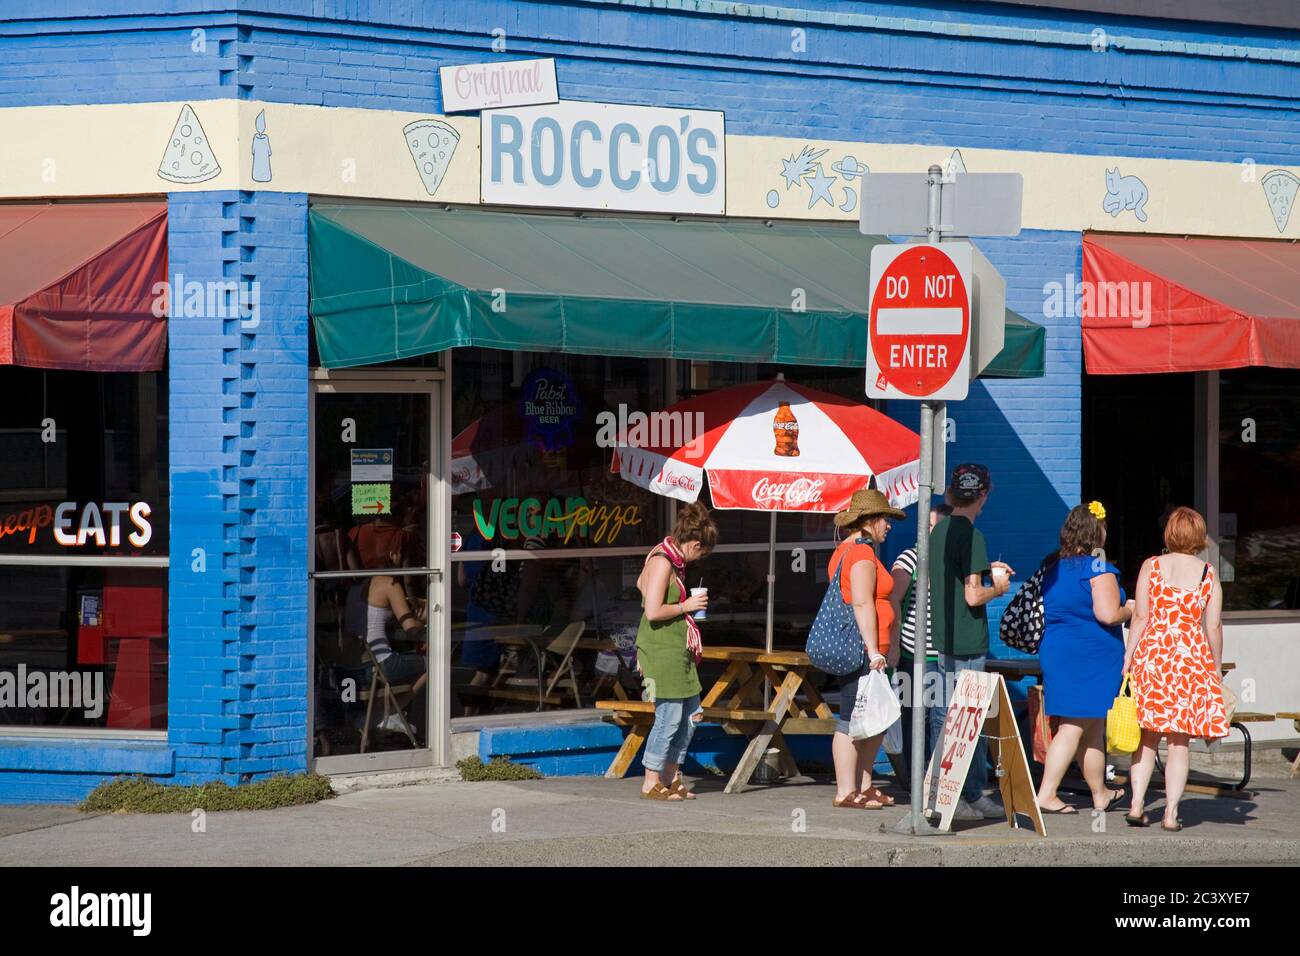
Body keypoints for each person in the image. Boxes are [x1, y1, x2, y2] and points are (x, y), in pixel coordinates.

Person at [1124, 506, 1229, 832]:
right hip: (1189, 663)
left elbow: (1140, 616)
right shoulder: (1208, 574)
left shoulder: (1151, 566)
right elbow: (1213, 627)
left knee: (1147, 736)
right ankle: (1170, 813)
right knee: (1179, 742)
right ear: (1199, 537)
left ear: (1170, 534)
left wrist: (1128, 658)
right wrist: (1214, 666)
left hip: (1153, 659)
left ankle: (1137, 804)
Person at [928, 463, 1014, 820]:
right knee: (967, 722)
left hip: (944, 638)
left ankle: (950, 793)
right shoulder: (972, 535)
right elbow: (973, 596)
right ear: (984, 494)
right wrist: (1000, 586)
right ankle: (963, 794)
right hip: (967, 640)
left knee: (944, 718)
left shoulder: (938, 530)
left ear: (952, 493)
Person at [1035, 502, 1133, 814]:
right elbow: (1107, 614)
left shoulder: (1054, 567)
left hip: (1060, 651)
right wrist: (1130, 608)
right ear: (1096, 532)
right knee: (1074, 726)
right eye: (1104, 527)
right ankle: (1047, 794)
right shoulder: (1098, 568)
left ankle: (1100, 793)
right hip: (1090, 657)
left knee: (1091, 727)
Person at [828, 488, 905, 810]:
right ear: (870, 520)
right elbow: (860, 602)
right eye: (885, 518)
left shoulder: (859, 551)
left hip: (874, 650)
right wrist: (874, 649)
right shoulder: (859, 554)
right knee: (851, 718)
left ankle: (864, 784)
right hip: (861, 650)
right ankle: (846, 791)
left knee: (875, 717)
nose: (888, 525)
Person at [635, 502, 718, 801]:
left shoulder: (670, 558)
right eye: (702, 553)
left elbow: (640, 584)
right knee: (668, 717)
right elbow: (654, 611)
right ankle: (651, 781)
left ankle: (670, 776)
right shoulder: (663, 562)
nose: (700, 559)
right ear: (695, 543)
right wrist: (686, 607)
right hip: (661, 650)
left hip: (676, 649)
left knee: (692, 713)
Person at [888, 502, 952, 784]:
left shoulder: (952, 561)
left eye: (937, 527)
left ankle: (936, 779)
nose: (931, 532)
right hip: (914, 654)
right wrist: (891, 644)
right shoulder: (910, 558)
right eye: (927, 527)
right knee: (915, 716)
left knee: (942, 716)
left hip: (944, 654)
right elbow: (892, 599)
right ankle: (914, 781)